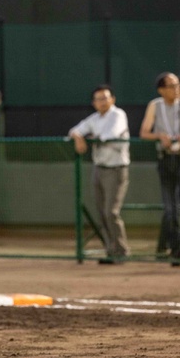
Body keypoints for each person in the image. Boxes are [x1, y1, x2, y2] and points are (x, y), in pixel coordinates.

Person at [68, 85, 131, 264]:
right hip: (99, 168)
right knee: (102, 212)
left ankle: (122, 251)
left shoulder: (118, 115)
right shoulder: (95, 118)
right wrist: (78, 137)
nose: (102, 102)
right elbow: (75, 130)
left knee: (111, 212)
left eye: (105, 98)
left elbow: (108, 135)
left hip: (117, 168)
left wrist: (87, 138)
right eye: (98, 99)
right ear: (93, 103)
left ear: (113, 99)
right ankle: (111, 252)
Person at [140, 72, 180, 265]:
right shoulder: (155, 105)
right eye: (171, 86)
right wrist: (159, 136)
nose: (176, 89)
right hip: (165, 159)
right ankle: (174, 248)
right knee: (170, 208)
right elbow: (144, 132)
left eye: (177, 85)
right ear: (161, 90)